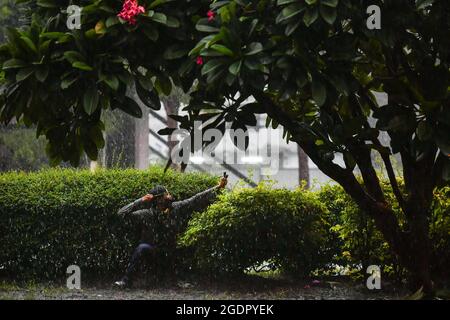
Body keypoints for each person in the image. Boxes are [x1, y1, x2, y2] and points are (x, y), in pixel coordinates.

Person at [114, 174, 228, 288]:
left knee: (185, 244)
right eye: (166, 194)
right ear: (159, 200)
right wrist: (140, 200)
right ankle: (126, 281)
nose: (169, 196)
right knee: (142, 248)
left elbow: (195, 199)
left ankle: (180, 279)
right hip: (153, 253)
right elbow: (121, 214)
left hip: (171, 251)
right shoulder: (146, 214)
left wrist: (218, 187)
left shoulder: (175, 208)